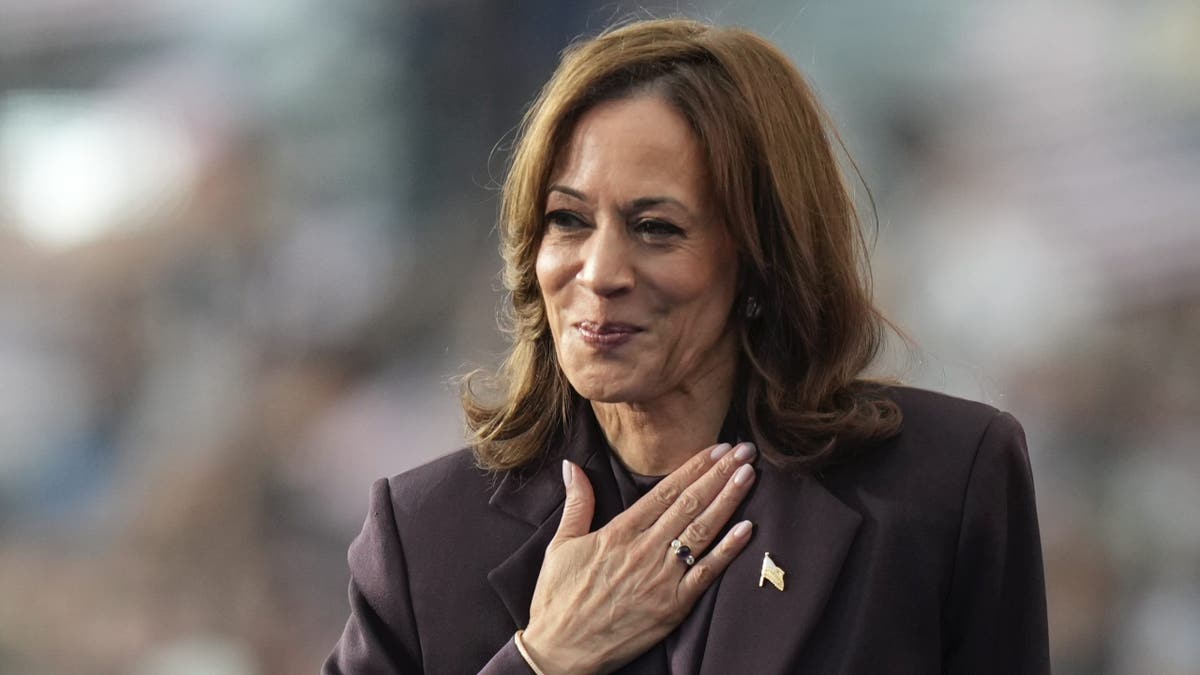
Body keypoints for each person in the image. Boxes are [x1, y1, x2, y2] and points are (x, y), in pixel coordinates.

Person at [324, 17, 1049, 675]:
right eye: (568, 220)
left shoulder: (943, 487)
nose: (601, 272)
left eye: (656, 228)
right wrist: (542, 659)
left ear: (762, 259)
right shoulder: (424, 537)